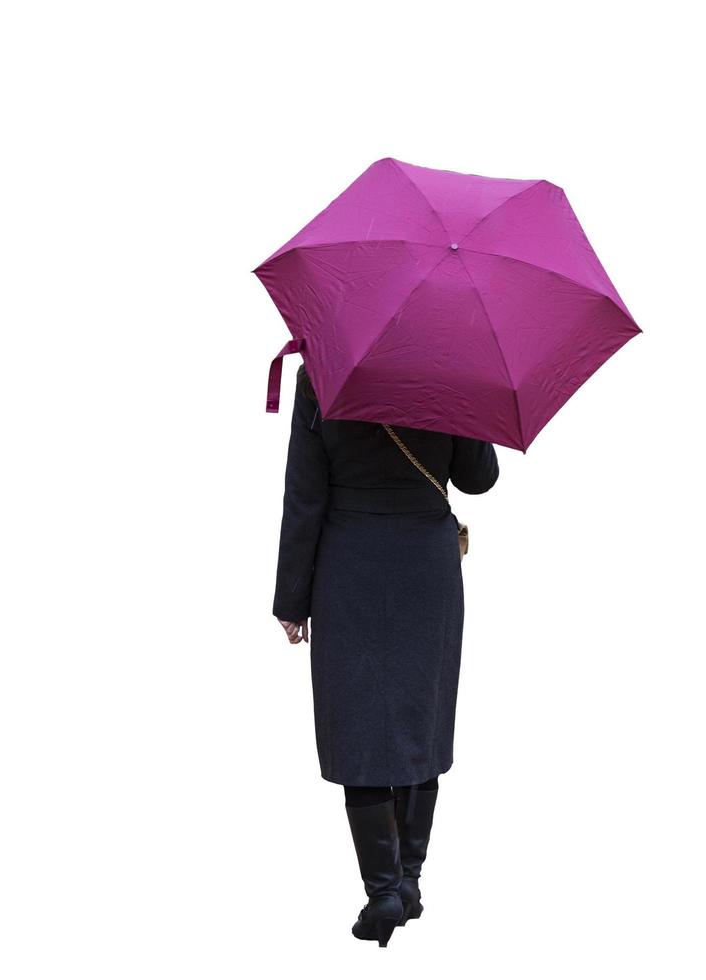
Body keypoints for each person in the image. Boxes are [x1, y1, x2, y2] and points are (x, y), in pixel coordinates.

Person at [273, 364, 499, 948]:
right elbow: (478, 479)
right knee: (419, 722)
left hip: (349, 562)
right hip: (425, 563)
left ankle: (384, 891)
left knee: (361, 728)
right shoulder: (454, 367)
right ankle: (410, 880)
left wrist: (291, 597)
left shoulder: (320, 371)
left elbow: (304, 492)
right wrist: (475, 397)